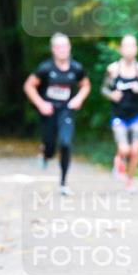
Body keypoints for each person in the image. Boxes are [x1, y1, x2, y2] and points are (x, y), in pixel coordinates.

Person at [23, 33, 91, 195]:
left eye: (65, 46)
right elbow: (29, 86)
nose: (62, 50)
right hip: (48, 111)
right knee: (50, 148)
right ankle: (45, 153)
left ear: (69, 48)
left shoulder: (76, 68)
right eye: (58, 47)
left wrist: (78, 99)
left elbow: (86, 85)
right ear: (53, 49)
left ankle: (63, 183)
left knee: (66, 143)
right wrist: (41, 104)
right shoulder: (45, 68)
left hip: (66, 110)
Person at [101, 34, 138, 189]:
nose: (129, 49)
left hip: (136, 115)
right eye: (126, 46)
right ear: (120, 49)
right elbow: (104, 89)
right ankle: (119, 161)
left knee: (135, 150)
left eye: (132, 46)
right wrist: (112, 95)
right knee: (124, 148)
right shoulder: (113, 69)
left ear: (136, 49)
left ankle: (129, 181)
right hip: (118, 115)